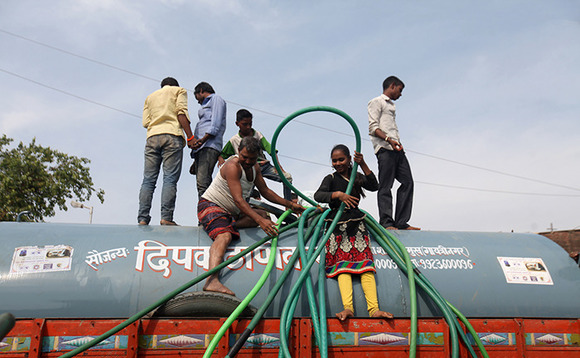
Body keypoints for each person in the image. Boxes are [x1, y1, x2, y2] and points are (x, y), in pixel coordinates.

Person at [198, 136, 305, 296]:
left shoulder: (255, 167)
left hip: (232, 213)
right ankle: (212, 280)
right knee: (224, 236)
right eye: (244, 157)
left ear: (257, 157)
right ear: (239, 152)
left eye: (251, 158)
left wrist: (289, 204)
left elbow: (265, 191)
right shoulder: (232, 166)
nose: (247, 161)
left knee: (264, 215)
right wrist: (259, 221)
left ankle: (227, 224)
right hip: (212, 206)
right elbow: (239, 200)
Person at [314, 144, 393, 320]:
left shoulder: (356, 175)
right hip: (337, 224)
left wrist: (363, 163)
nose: (337, 163)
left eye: (341, 159)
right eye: (334, 160)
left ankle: (374, 309)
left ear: (349, 159)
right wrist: (338, 195)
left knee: (365, 266)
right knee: (343, 267)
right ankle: (348, 307)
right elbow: (318, 195)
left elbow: (374, 185)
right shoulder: (331, 178)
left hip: (357, 224)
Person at [138, 77, 195, 226]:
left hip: (152, 137)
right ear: (176, 85)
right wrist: (190, 137)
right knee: (169, 179)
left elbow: (145, 122)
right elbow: (181, 113)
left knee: (148, 180)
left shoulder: (149, 97)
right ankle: (166, 218)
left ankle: (143, 219)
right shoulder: (179, 91)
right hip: (172, 135)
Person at [368, 76, 420, 230]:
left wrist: (396, 142)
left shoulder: (391, 106)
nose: (400, 94)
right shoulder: (376, 102)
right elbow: (373, 127)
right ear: (392, 86)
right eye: (400, 90)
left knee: (408, 181)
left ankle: (401, 222)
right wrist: (389, 140)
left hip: (396, 148)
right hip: (385, 149)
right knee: (386, 185)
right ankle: (386, 222)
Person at [218, 109, 294, 200]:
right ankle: (247, 209)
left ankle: (288, 205)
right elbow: (222, 154)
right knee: (244, 194)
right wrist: (220, 158)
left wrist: (279, 167)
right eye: (245, 124)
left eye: (250, 124)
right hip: (248, 169)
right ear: (237, 123)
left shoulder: (257, 135)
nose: (248, 127)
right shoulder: (234, 140)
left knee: (287, 178)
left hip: (263, 166)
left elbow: (271, 150)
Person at [190, 82, 227, 199]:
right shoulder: (207, 104)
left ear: (201, 91)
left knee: (203, 183)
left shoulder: (216, 99)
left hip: (209, 145)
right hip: (202, 147)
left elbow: (215, 124)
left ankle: (207, 211)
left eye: (196, 96)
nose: (197, 101)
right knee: (202, 182)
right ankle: (207, 209)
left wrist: (203, 139)